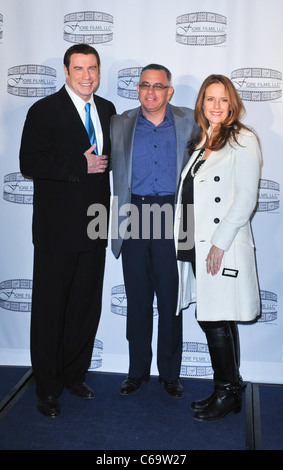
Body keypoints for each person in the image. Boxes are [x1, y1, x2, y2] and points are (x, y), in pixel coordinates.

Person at [19, 44, 116, 418]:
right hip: (56, 230)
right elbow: (29, 162)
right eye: (79, 68)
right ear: (65, 71)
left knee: (84, 307)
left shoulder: (106, 109)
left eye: (92, 68)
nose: (87, 75)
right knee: (49, 310)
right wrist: (79, 163)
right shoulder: (43, 110)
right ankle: (47, 388)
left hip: (94, 226)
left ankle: (75, 375)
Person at [175, 74, 262, 420]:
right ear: (202, 104)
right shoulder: (203, 139)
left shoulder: (243, 139)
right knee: (217, 316)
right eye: (209, 99)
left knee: (215, 318)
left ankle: (226, 392)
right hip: (193, 239)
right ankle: (231, 389)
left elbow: (245, 198)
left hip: (218, 244)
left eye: (223, 99)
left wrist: (219, 243)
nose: (216, 106)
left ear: (233, 104)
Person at [111, 64, 199, 398]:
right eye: (145, 85)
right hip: (132, 214)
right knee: (137, 300)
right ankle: (136, 372)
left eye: (158, 86)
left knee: (170, 301)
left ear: (169, 91)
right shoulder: (120, 123)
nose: (151, 91)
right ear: (138, 88)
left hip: (174, 217)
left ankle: (170, 374)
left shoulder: (189, 120)